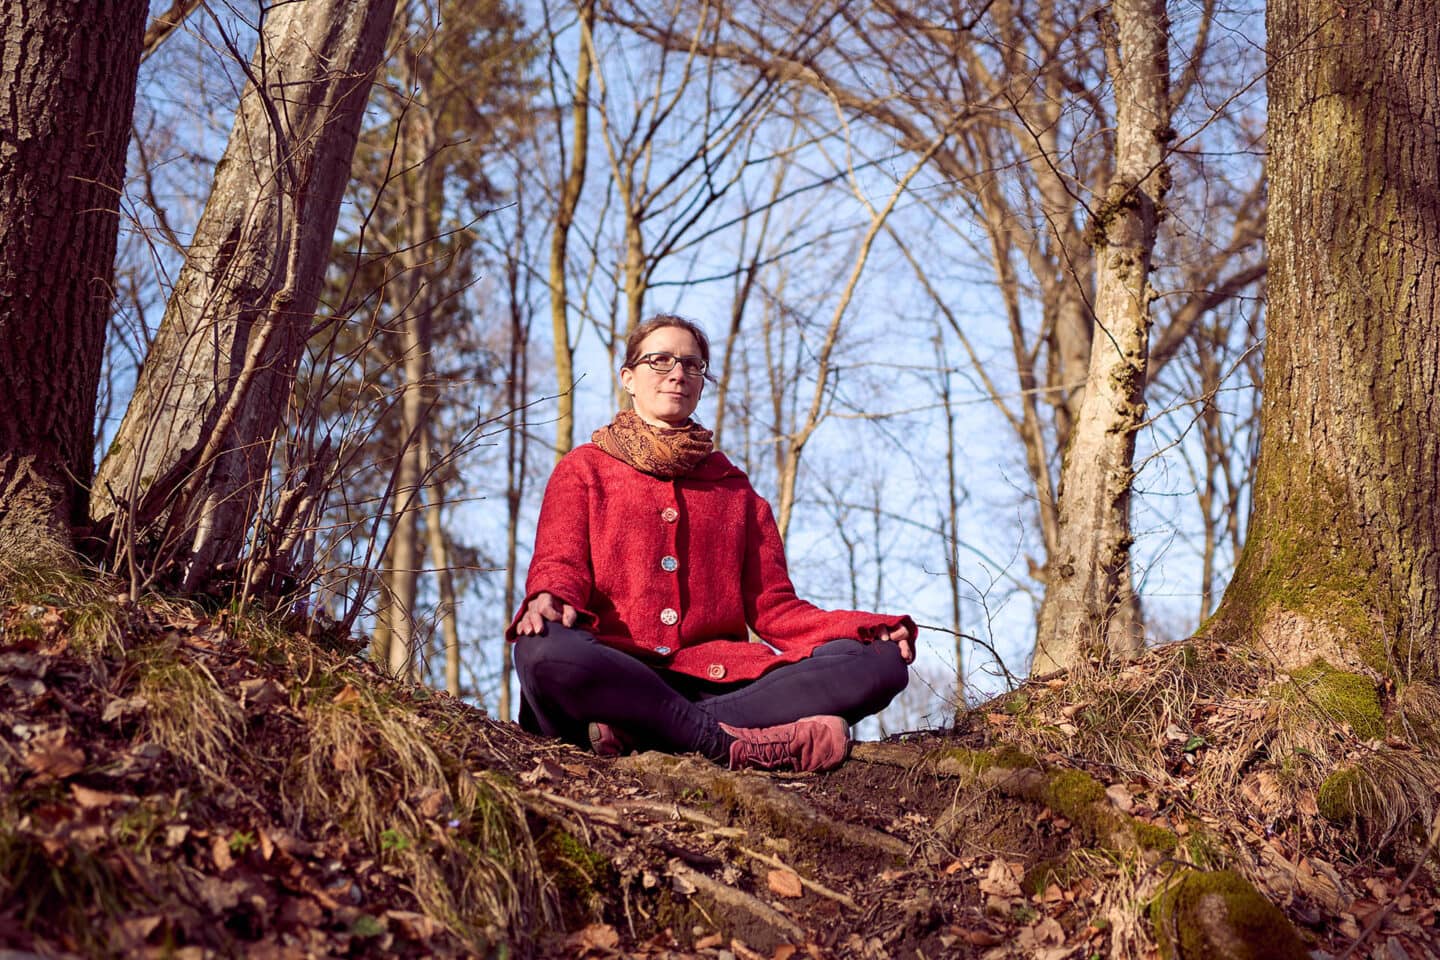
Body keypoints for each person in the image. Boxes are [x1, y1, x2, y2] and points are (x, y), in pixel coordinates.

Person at [507, 314, 915, 772]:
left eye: (692, 364)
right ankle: (726, 744)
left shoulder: (735, 491)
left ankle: (641, 731)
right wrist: (548, 597)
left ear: (701, 385)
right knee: (540, 650)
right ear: (628, 378)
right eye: (659, 360)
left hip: (719, 680)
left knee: (880, 663)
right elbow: (560, 563)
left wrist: (866, 628)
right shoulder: (583, 469)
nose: (677, 373)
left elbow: (776, 610)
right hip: (615, 669)